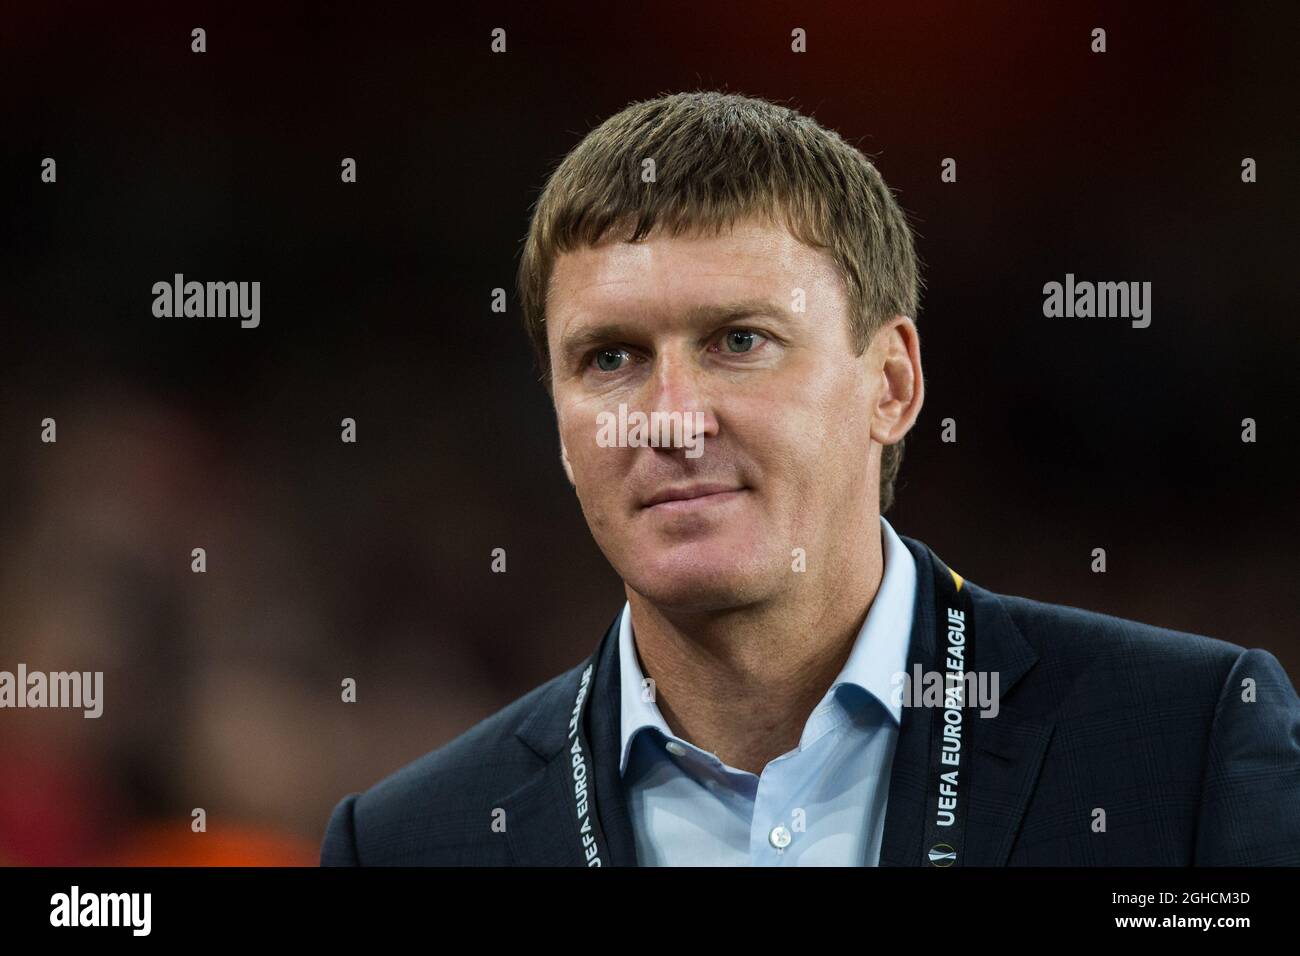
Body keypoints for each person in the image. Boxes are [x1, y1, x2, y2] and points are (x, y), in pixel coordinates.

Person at [321, 91, 1300, 866]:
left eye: (739, 340)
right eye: (610, 357)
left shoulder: (1185, 746)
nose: (668, 415)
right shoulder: (409, 839)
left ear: (892, 382)